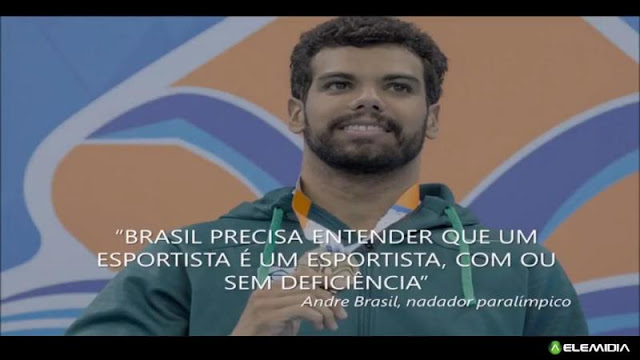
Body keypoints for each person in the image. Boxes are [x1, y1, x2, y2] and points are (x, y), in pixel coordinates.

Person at [65, 16, 589, 336]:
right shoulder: (191, 258)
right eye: (339, 84)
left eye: (398, 87)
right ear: (297, 112)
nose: (368, 99)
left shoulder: (520, 268)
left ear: (432, 117)